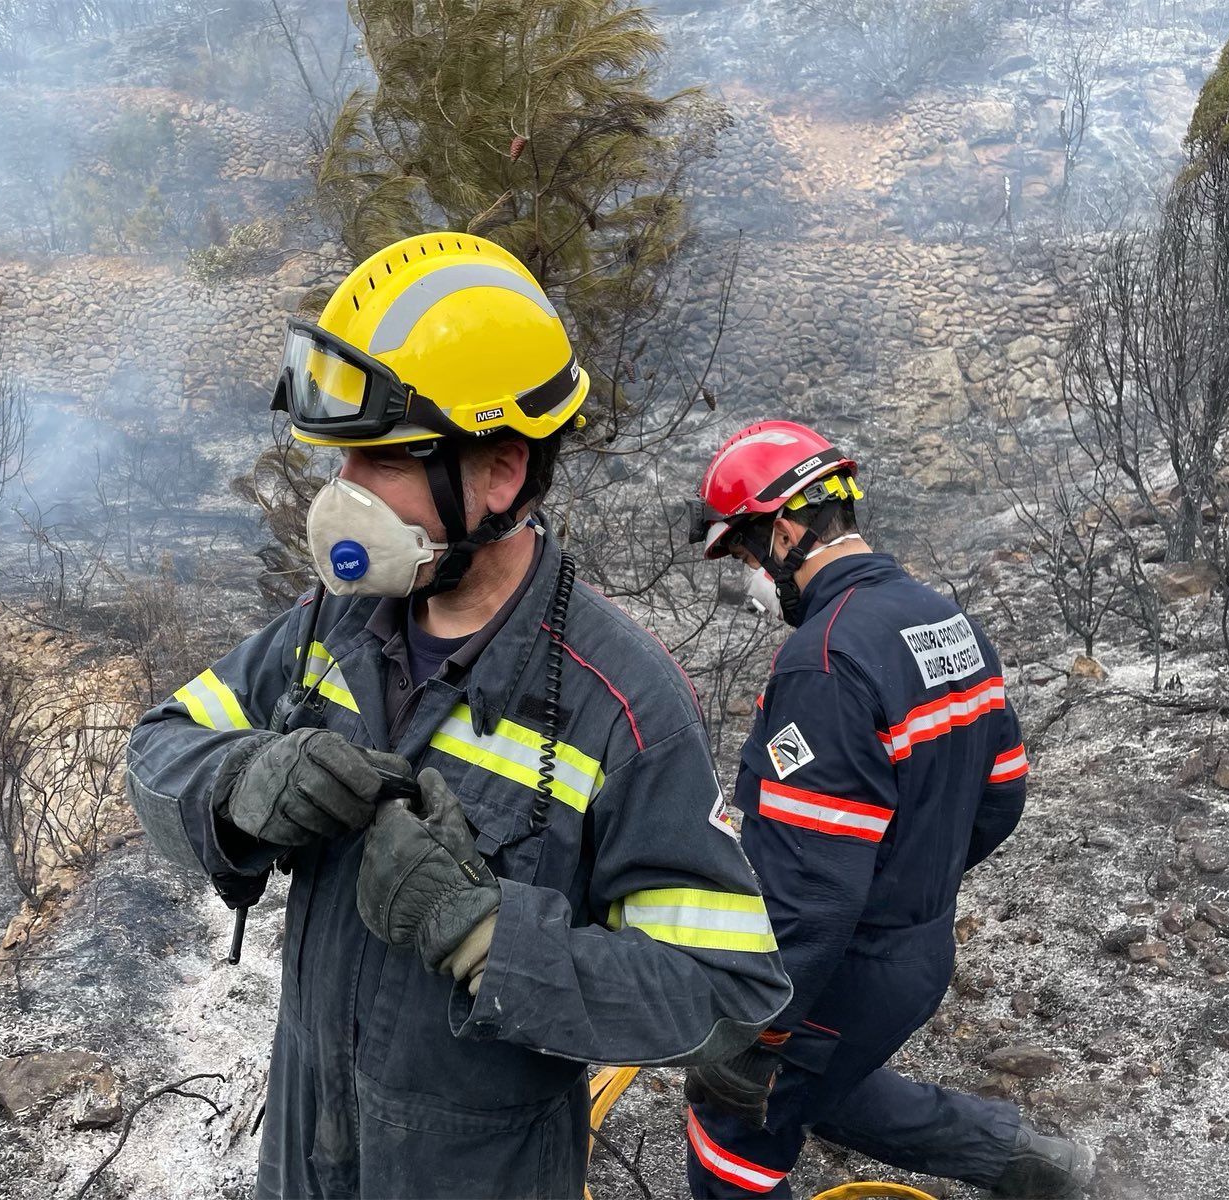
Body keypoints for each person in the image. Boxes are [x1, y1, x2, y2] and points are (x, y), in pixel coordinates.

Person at [126, 233, 793, 1200]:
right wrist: (239, 784)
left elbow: (725, 996)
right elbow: (160, 749)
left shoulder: (624, 709)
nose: (343, 498)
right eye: (341, 464)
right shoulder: (330, 631)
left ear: (501, 471)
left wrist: (488, 936)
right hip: (308, 1158)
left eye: (381, 461)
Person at [681, 420, 1096, 1199]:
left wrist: (755, 1031)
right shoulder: (945, 619)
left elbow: (814, 897)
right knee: (824, 1089)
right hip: (915, 949)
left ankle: (1028, 1164)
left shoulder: (826, 660)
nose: (747, 579)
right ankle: (1031, 1164)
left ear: (786, 528)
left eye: (741, 554)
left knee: (732, 1123)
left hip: (840, 965)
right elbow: (1001, 794)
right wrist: (912, 876)